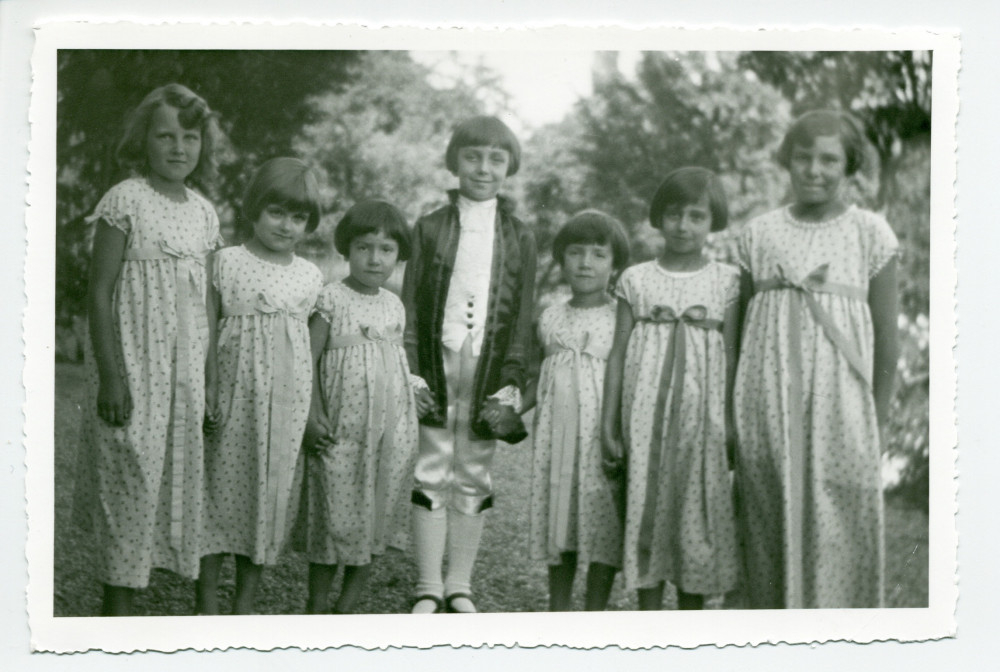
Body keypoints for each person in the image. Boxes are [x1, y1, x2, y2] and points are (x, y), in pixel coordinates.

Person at [733, 110, 899, 609]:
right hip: (766, 407)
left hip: (842, 414)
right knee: (764, 524)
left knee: (840, 525)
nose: (814, 169)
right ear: (788, 161)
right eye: (803, 157)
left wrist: (882, 419)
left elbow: (888, 343)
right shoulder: (759, 234)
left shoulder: (870, 234)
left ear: (850, 166)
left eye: (829, 159)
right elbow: (738, 332)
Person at [75, 83, 223, 616]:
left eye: (190, 136)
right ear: (145, 140)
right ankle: (115, 614)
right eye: (165, 135)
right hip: (134, 367)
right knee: (129, 476)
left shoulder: (205, 212)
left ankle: (143, 605)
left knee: (170, 479)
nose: (178, 147)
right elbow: (99, 290)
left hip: (183, 374)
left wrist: (207, 378)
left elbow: (206, 300)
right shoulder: (126, 199)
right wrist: (112, 376)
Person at [401, 116, 536, 614]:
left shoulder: (520, 235)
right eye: (473, 156)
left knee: (475, 467)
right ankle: (426, 585)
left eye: (496, 159)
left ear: (510, 166)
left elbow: (521, 314)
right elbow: (412, 302)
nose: (483, 168)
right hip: (438, 359)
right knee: (431, 461)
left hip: (488, 361)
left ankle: (459, 583)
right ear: (455, 161)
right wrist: (412, 365)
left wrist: (512, 378)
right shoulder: (430, 226)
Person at [602, 167, 741, 611]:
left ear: (712, 221)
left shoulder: (728, 281)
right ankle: (647, 620)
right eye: (675, 214)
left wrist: (734, 422)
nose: (684, 225)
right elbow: (618, 354)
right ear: (658, 217)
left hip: (703, 420)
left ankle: (689, 624)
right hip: (643, 417)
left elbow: (735, 355)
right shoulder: (636, 280)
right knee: (646, 505)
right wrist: (609, 425)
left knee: (694, 511)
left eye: (696, 216)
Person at [196, 157, 324, 615]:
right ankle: (206, 600)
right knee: (216, 490)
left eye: (298, 217)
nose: (286, 225)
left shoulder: (310, 276)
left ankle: (245, 602)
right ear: (253, 209)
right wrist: (208, 387)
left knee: (267, 497)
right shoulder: (227, 262)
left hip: (286, 405)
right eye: (277, 212)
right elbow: (206, 328)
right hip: (233, 396)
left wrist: (309, 412)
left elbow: (311, 348)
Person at [300, 200, 420, 615]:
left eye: (386, 249)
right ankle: (316, 607)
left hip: (388, 433)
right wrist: (312, 416)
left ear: (398, 255)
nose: (375, 258)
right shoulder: (331, 299)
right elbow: (308, 361)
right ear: (347, 249)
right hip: (341, 431)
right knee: (333, 516)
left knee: (375, 516)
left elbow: (394, 364)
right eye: (365, 247)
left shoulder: (394, 304)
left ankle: (347, 608)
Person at [525, 211, 629, 611]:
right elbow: (542, 375)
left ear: (615, 264)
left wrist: (619, 434)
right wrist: (513, 410)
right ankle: (559, 607)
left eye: (599, 254)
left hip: (599, 437)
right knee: (560, 519)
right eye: (576, 253)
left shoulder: (621, 314)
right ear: (562, 259)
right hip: (556, 436)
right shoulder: (550, 316)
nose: (586, 263)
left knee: (602, 519)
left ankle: (594, 612)